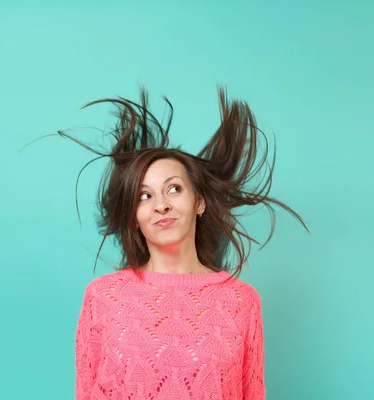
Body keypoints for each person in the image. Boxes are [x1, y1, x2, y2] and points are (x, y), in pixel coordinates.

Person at [58, 87, 308, 399]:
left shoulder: (242, 302)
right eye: (144, 196)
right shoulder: (104, 298)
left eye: (174, 189)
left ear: (199, 202)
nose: (160, 205)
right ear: (134, 216)